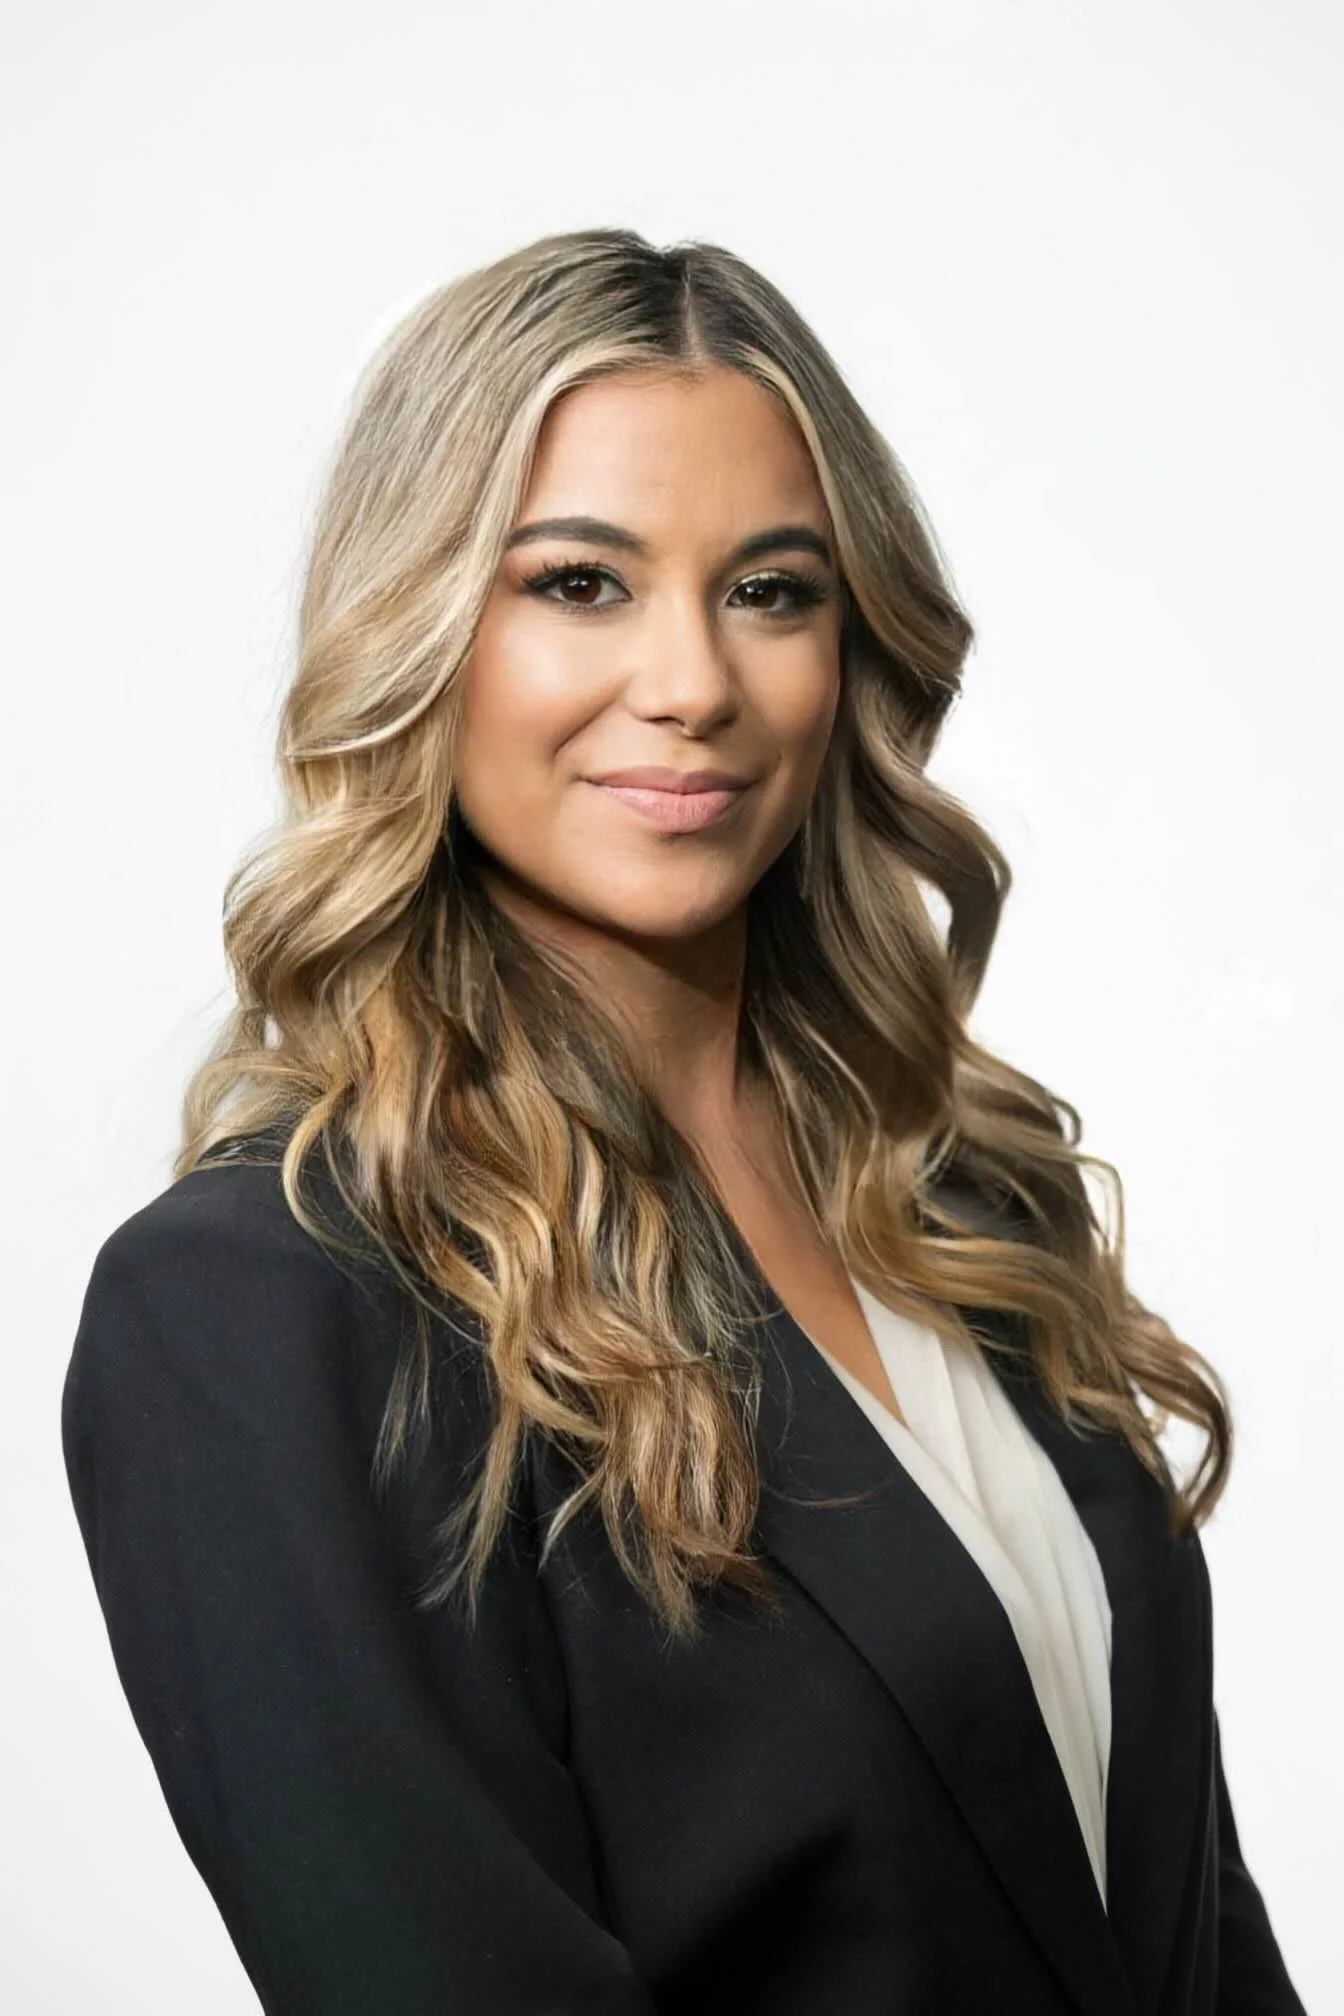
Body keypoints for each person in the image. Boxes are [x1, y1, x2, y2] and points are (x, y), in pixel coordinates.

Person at [61, 227, 1307, 2015]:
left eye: (771, 590)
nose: (694, 682)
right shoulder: (270, 1307)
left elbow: (1182, 1917)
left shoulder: (960, 1204)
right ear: (422, 627)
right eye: (580, 583)